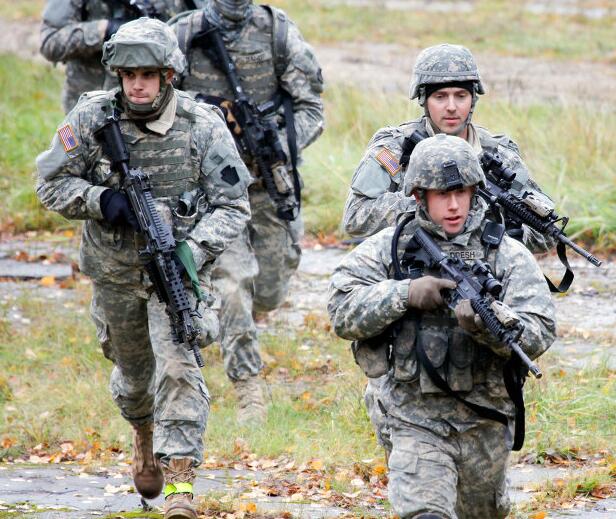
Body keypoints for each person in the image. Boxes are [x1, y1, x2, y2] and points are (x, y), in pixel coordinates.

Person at [35, 18, 251, 519]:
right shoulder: (92, 117)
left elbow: (234, 204)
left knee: (179, 368)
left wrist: (192, 251)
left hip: (177, 272)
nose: (137, 85)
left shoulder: (201, 124)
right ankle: (143, 432)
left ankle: (180, 488)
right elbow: (49, 184)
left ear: (168, 75)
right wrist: (102, 200)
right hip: (114, 271)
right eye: (129, 75)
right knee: (135, 379)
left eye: (148, 75)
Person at [328, 135, 556, 519]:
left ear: (474, 192)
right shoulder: (392, 246)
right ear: (419, 196)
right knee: (426, 512)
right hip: (414, 418)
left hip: (485, 420)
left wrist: (488, 325)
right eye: (441, 194)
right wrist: (405, 294)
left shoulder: (506, 254)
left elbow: (541, 329)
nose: (453, 205)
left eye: (461, 192)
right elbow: (341, 308)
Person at [169, 0, 325, 424]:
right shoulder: (184, 33)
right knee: (234, 283)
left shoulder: (277, 33)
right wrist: (210, 121)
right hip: (213, 190)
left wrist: (276, 144)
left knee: (269, 289)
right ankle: (248, 390)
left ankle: (234, 320)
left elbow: (311, 108)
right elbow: (159, 104)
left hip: (269, 182)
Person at [343, 43, 553, 253]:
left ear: (473, 99)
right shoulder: (395, 148)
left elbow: (548, 233)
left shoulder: (498, 154)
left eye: (461, 96)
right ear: (424, 99)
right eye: (440, 96)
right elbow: (355, 217)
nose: (451, 107)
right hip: (413, 263)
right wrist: (427, 203)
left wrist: (508, 233)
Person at [40, 0, 204, 113]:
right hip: (93, 107)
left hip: (161, 111)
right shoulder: (83, 120)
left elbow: (204, 25)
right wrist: (105, 29)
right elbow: (50, 41)